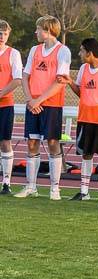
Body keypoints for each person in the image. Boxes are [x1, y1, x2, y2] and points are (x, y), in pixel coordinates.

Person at [14, 16, 71, 200]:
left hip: (51, 105)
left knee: (53, 143)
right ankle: (31, 186)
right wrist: (31, 100)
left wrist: (39, 101)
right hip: (33, 105)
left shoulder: (63, 51)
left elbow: (60, 82)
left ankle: (55, 188)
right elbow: (25, 77)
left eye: (38, 29)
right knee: (31, 143)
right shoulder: (34, 50)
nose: (35, 32)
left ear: (47, 30)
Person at [59, 38, 98, 203]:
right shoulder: (83, 68)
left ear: (89, 53)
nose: (79, 54)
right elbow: (82, 92)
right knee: (86, 155)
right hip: (85, 119)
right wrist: (70, 82)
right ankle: (84, 191)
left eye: (81, 51)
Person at [0, 20, 24, 195]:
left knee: (5, 142)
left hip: (5, 104)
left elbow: (17, 79)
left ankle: (6, 183)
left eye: (5, 34)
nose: (2, 36)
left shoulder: (13, 54)